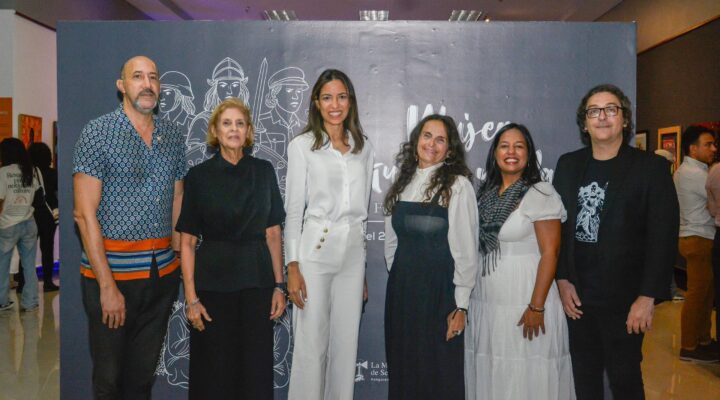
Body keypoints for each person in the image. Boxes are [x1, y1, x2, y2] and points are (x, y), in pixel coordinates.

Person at [553, 84, 679, 399]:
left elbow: (663, 236)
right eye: (594, 111)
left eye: (611, 109)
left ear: (624, 120)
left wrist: (647, 297)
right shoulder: (568, 165)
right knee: (584, 379)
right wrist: (562, 279)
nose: (602, 117)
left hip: (625, 299)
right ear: (584, 123)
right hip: (578, 297)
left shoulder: (651, 168)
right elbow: (559, 228)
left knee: (625, 380)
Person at [73, 55, 187, 399]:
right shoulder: (98, 133)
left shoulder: (172, 135)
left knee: (141, 380)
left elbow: (178, 196)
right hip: (111, 277)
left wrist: (177, 259)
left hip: (161, 276)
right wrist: (107, 286)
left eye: (153, 77)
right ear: (121, 85)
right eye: (137, 76)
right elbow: (84, 215)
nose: (147, 84)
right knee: (109, 380)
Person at [176, 97, 287, 399]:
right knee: (214, 374)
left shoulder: (264, 171)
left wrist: (279, 286)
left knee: (255, 373)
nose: (234, 129)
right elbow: (187, 241)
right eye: (227, 123)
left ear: (248, 131)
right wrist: (191, 299)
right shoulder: (198, 176)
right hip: (212, 290)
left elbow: (273, 233)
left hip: (257, 285)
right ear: (215, 130)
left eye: (240, 123)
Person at [465, 123, 574, 399]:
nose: (511, 152)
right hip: (487, 299)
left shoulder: (541, 193)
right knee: (495, 368)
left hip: (526, 297)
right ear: (495, 154)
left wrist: (536, 306)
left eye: (519, 146)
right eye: (504, 146)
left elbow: (551, 253)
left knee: (525, 372)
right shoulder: (485, 195)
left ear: (529, 154)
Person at [285, 69, 374, 400]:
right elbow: (294, 211)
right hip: (316, 250)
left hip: (352, 254)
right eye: (327, 98)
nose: (335, 105)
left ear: (350, 101)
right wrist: (292, 265)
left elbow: (363, 214)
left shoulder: (364, 148)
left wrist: (362, 266)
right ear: (316, 103)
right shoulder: (302, 146)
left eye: (341, 97)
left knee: (345, 347)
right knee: (311, 345)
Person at [383, 114, 478, 400]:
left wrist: (461, 306)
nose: (432, 145)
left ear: (449, 150)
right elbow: (391, 244)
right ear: (416, 142)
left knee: (437, 375)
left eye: (440, 140)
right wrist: (404, 276)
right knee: (404, 370)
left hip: (439, 295)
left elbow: (466, 252)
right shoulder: (402, 183)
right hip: (402, 294)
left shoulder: (458, 186)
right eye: (427, 136)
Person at [674, 125, 718, 362]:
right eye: (708, 144)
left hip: (700, 237)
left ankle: (703, 340)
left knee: (705, 294)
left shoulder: (696, 171)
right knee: (698, 295)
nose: (714, 149)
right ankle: (689, 347)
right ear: (693, 149)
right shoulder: (694, 173)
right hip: (697, 238)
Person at [0, 138, 40, 312]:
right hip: (29, 222)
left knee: (2, 264)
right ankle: (30, 302)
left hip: (8, 224)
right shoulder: (30, 171)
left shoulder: (3, 172)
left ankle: (2, 301)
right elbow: (36, 195)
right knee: (29, 265)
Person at [28, 142, 59, 292]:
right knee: (47, 249)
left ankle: (23, 283)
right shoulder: (53, 173)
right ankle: (48, 282)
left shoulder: (29, 174)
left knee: (27, 250)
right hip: (48, 215)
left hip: (31, 214)